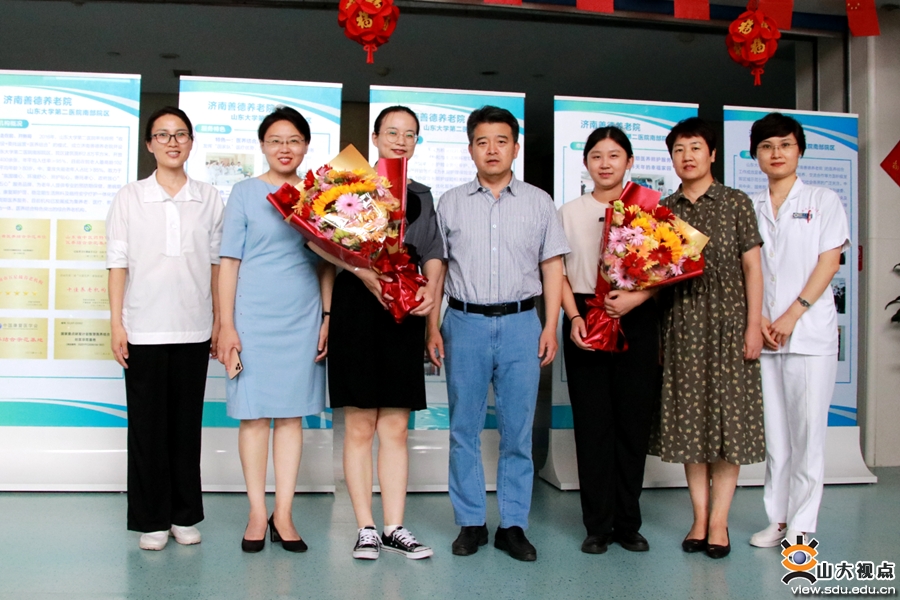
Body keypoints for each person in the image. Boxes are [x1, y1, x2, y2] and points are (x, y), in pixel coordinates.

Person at [431, 105, 569, 562]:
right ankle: (470, 522)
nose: (492, 149)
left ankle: (513, 525)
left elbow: (553, 266)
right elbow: (437, 269)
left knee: (517, 431)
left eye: (501, 141)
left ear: (516, 147)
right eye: (482, 141)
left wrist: (550, 326)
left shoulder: (539, 201)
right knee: (463, 429)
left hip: (521, 324)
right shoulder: (450, 202)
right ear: (471, 148)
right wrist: (432, 325)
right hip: (463, 323)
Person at [311, 106, 443, 560]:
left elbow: (433, 253)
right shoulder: (350, 183)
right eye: (392, 132)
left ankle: (395, 526)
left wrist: (431, 298)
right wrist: (359, 270)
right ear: (375, 137)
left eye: (410, 134)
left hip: (403, 308)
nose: (400, 141)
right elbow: (315, 238)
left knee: (396, 426)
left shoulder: (422, 195)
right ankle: (365, 527)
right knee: (360, 424)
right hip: (356, 306)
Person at [217, 106, 335, 553]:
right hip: (251, 318)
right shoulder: (245, 192)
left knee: (290, 416)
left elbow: (328, 262)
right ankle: (255, 511)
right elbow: (229, 262)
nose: (285, 148)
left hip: (301, 316)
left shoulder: (318, 195)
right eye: (276, 141)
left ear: (306, 146)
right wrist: (226, 325)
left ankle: (282, 513)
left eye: (294, 140)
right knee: (253, 416)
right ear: (263, 146)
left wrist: (327, 317)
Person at [106, 106, 224, 551]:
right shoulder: (130, 197)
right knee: (147, 428)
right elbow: (117, 263)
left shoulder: (208, 197)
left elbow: (217, 264)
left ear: (191, 143)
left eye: (181, 134)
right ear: (149, 144)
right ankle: (151, 519)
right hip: (143, 328)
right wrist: (117, 323)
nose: (173, 142)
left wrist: (219, 320)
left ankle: (183, 515)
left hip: (194, 327)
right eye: (163, 135)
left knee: (185, 427)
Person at [651, 117, 765, 559]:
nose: (688, 156)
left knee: (728, 424)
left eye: (696, 147)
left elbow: (753, 268)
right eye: (679, 149)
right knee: (690, 424)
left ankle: (720, 522)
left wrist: (753, 325)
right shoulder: (664, 209)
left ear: (712, 153)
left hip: (730, 326)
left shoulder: (736, 202)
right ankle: (699, 518)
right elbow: (657, 277)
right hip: (681, 326)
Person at [746, 113, 849, 548]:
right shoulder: (750, 205)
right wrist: (759, 318)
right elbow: (748, 269)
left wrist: (792, 314)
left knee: (808, 437)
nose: (776, 153)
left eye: (785, 145)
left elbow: (829, 262)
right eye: (767, 146)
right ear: (755, 155)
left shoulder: (823, 200)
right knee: (777, 439)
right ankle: (778, 520)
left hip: (808, 336)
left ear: (799, 150)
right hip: (766, 336)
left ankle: (803, 526)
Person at [559, 127, 659, 555]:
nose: (605, 163)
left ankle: (628, 523)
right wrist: (574, 317)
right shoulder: (567, 212)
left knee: (633, 425)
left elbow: (669, 268)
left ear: (629, 162)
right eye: (596, 155)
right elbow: (558, 273)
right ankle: (597, 525)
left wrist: (637, 298)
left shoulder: (649, 211)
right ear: (586, 163)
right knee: (593, 425)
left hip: (635, 316)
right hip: (585, 317)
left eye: (614, 155)